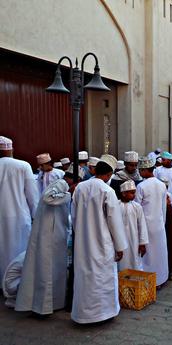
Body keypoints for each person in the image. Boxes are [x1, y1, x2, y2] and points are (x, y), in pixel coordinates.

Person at [71, 154, 128, 324]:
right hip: (102, 243)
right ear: (109, 173)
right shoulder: (107, 190)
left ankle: (83, 314)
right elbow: (114, 222)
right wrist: (120, 246)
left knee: (85, 277)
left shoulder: (80, 188)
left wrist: (80, 233)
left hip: (83, 242)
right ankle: (103, 314)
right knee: (102, 278)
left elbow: (73, 216)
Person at [15, 179, 71, 315]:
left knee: (54, 271)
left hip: (55, 236)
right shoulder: (60, 184)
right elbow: (48, 198)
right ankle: (43, 306)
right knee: (46, 270)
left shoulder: (62, 187)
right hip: (48, 236)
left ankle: (54, 304)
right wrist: (68, 195)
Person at [0, 136, 39, 281]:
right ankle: (15, 283)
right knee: (19, 250)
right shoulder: (23, 166)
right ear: (12, 150)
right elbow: (32, 196)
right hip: (19, 217)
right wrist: (37, 216)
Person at [136, 157, 169, 287]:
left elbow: (137, 208)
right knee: (159, 253)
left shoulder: (141, 186)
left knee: (148, 255)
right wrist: (162, 222)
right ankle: (160, 279)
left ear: (145, 170)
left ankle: (149, 281)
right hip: (159, 224)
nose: (139, 172)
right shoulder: (161, 184)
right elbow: (163, 207)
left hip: (146, 225)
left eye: (140, 170)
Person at [117, 180, 148, 272]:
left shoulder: (137, 207)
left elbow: (142, 225)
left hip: (134, 240)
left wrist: (142, 243)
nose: (134, 195)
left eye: (134, 193)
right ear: (123, 193)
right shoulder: (116, 205)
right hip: (120, 240)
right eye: (131, 193)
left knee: (135, 261)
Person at [161, 177, 172, 281]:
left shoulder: (168, 197)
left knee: (170, 247)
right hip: (160, 227)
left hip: (169, 226)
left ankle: (170, 271)